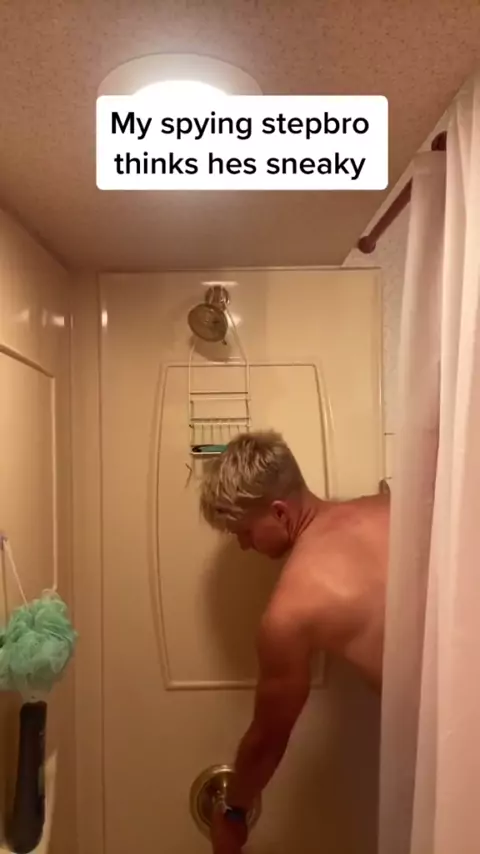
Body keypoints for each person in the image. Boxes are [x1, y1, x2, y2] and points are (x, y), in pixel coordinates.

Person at [200, 430, 390, 854]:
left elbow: (267, 738)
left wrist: (233, 812)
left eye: (244, 531)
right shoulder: (391, 507)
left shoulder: (291, 610)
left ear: (280, 512)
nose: (244, 546)